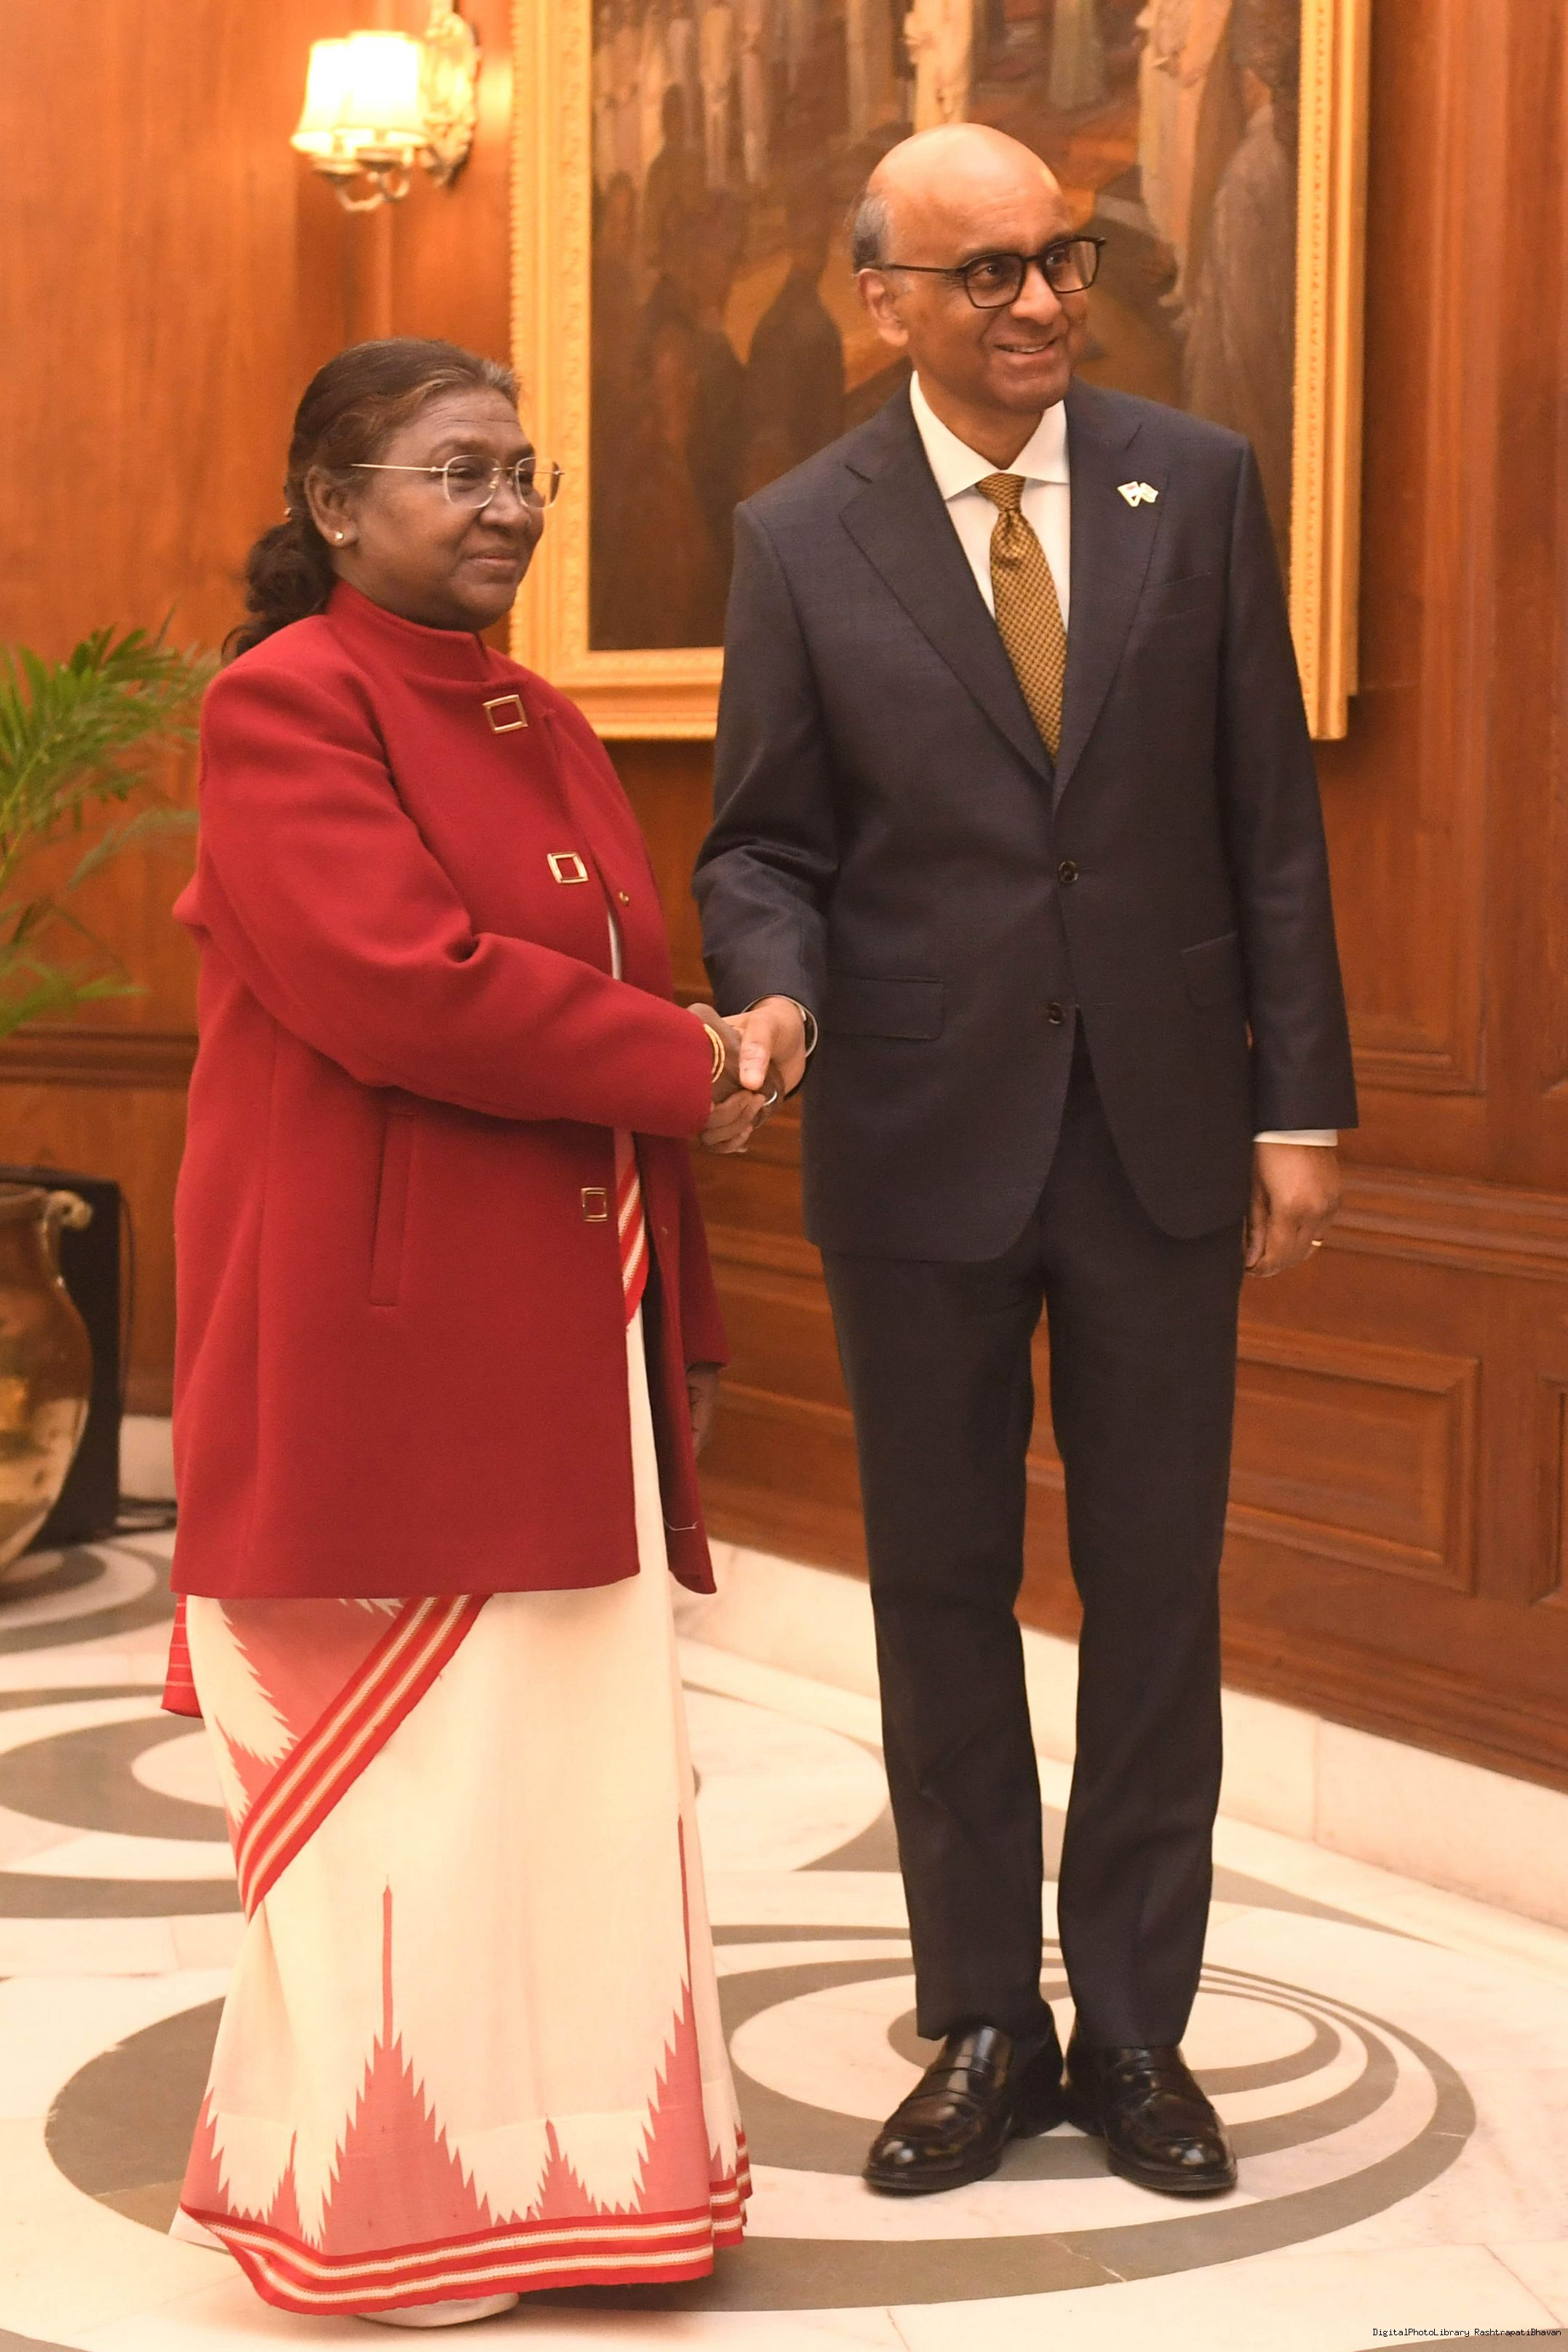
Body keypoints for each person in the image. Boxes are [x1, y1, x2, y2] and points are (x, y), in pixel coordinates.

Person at [694, 125, 1354, 2201]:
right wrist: (771, 988)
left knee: (1157, 1589)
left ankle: (1137, 2029)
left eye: (1058, 260)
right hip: (916, 1136)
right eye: (986, 273)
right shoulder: (798, 534)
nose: (1042, 301)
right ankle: (981, 2017)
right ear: (882, 296)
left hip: (1163, 1133)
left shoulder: (1196, 482)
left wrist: (1299, 1102)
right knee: (939, 1588)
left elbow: (1266, 815)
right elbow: (764, 841)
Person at [163, 338, 758, 2325]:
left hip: (568, 1337)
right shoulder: (286, 701)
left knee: (573, 1798)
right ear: (337, 507)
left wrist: (685, 1296)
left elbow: (604, 984)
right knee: (404, 1814)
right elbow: (404, 985)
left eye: (524, 470)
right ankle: (391, 2220)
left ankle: (584, 2196)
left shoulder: (541, 713)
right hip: (382, 1357)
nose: (506, 504)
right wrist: (687, 1061)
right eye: (457, 470)